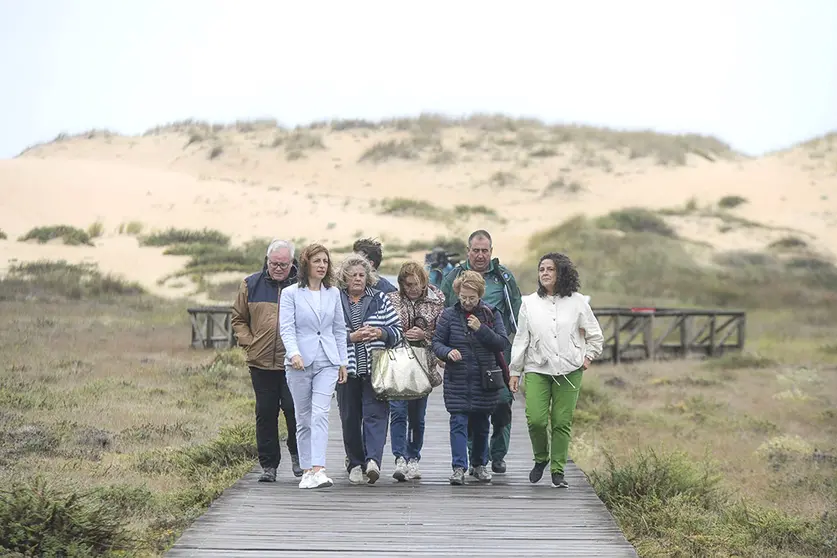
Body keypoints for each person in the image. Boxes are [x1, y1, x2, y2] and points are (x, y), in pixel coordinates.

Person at [508, 252, 604, 488]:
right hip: (537, 369)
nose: (545, 273)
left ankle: (558, 470)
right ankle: (541, 458)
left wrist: (587, 358)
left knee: (561, 422)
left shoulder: (578, 302)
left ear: (561, 272)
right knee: (537, 420)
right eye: (541, 269)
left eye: (550, 269)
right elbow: (521, 339)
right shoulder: (529, 303)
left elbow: (595, 335)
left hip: (570, 370)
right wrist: (515, 371)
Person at [440, 230, 521, 475]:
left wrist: (515, 349)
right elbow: (443, 310)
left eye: (485, 250)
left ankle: (498, 454)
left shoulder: (503, 278)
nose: (480, 255)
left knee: (501, 405)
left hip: (496, 352)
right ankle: (476, 458)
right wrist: (443, 350)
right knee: (467, 407)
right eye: (476, 250)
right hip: (462, 355)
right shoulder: (454, 276)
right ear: (468, 251)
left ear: (491, 252)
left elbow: (516, 312)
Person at [231, 239, 303, 482]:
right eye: (274, 263)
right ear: (267, 261)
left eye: (283, 264)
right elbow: (238, 318)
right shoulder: (251, 284)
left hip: (293, 362)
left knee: (294, 411)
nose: (278, 268)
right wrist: (249, 341)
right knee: (265, 412)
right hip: (260, 362)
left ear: (292, 263)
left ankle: (298, 455)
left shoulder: (303, 286)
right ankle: (269, 466)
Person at [278, 243, 349, 489]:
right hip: (299, 362)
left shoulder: (334, 293)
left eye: (325, 262)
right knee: (303, 417)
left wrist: (343, 361)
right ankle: (307, 470)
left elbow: (339, 329)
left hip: (327, 360)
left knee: (320, 413)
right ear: (306, 263)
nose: (322, 265)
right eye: (317, 261)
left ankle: (319, 468)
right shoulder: (290, 294)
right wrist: (293, 352)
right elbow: (286, 327)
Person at [432, 270, 510, 485]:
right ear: (457, 293)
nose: (467, 302)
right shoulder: (448, 315)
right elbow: (437, 342)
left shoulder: (491, 314)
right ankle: (458, 467)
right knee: (458, 423)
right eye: (463, 297)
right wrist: (447, 352)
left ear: (480, 295)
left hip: (483, 380)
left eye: (472, 298)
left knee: (482, 424)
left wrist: (481, 329)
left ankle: (479, 464)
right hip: (457, 380)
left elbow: (501, 342)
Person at [335, 253, 403, 484]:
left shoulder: (379, 298)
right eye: (353, 275)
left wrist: (380, 333)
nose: (357, 279)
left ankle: (373, 461)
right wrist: (351, 337)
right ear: (344, 278)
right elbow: (327, 334)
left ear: (368, 277)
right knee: (349, 417)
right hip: (346, 369)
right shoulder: (336, 299)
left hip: (377, 369)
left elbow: (397, 330)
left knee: (376, 415)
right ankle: (355, 462)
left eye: (362, 275)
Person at [386, 261, 445, 481]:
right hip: (397, 365)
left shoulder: (436, 302)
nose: (412, 288)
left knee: (417, 417)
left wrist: (425, 337)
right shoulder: (391, 300)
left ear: (424, 283)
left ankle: (414, 458)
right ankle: (399, 458)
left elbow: (442, 334)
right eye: (407, 284)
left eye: (416, 284)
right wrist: (399, 336)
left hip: (423, 366)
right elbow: (385, 329)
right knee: (398, 412)